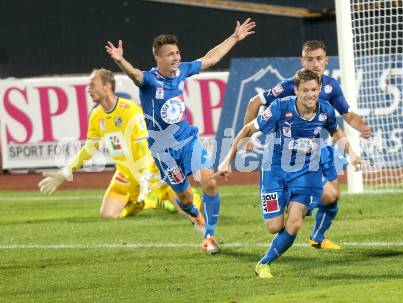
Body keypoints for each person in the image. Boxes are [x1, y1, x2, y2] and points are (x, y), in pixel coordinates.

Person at [105, 19, 256, 254]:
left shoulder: (183, 70)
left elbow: (211, 58)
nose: (176, 57)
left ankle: (210, 235)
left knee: (210, 180)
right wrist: (121, 61)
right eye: (170, 54)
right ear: (158, 58)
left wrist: (234, 37)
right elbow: (135, 75)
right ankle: (195, 215)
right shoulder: (149, 80)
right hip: (163, 151)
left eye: (177, 52)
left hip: (187, 140)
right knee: (185, 199)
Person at [217, 69, 363, 278]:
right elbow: (248, 129)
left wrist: (353, 155)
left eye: (314, 89)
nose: (311, 94)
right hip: (274, 172)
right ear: (296, 91)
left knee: (294, 222)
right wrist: (227, 159)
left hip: (305, 174)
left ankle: (264, 264)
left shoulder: (325, 111)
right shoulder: (279, 108)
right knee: (274, 226)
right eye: (305, 90)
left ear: (320, 89)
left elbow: (335, 131)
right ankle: (285, 209)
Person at [243, 40, 371, 250]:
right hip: (286, 156)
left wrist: (361, 128)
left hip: (319, 151)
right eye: (310, 59)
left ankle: (316, 237)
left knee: (331, 197)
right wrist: (249, 137)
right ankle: (293, 205)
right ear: (302, 61)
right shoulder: (288, 87)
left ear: (326, 61)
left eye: (319, 59)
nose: (315, 64)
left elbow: (346, 114)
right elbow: (254, 103)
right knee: (283, 220)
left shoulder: (330, 86)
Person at [38, 69, 202, 219]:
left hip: (154, 172)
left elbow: (146, 146)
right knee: (107, 215)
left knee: (188, 209)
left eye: (92, 85)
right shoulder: (96, 115)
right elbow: (89, 148)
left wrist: (145, 174)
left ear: (107, 86)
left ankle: (178, 195)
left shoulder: (129, 110)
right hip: (126, 175)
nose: (89, 90)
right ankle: (144, 203)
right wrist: (67, 170)